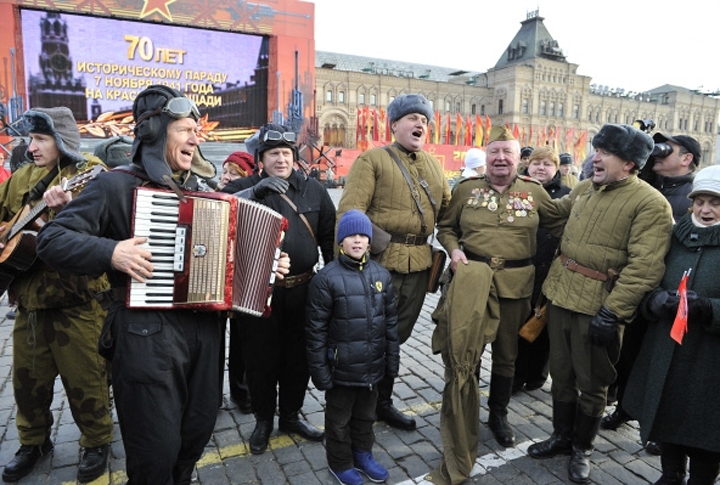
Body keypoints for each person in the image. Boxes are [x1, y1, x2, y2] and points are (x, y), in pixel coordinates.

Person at [35, 85, 228, 484]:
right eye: (185, 129)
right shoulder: (115, 185)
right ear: (155, 133)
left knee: (195, 435)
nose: (195, 138)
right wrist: (112, 252)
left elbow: (233, 262)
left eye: (196, 130)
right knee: (155, 451)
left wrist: (266, 269)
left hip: (206, 333)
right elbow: (52, 241)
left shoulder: (206, 192)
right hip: (146, 336)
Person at [528, 123, 674, 484]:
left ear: (629, 163)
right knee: (560, 374)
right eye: (597, 150)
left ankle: (582, 447)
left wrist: (614, 312)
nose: (596, 157)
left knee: (593, 382)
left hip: (600, 305)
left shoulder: (650, 203)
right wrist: (521, 190)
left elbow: (645, 267)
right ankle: (561, 437)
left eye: (605, 153)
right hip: (561, 294)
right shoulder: (585, 189)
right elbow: (553, 214)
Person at [435, 126, 567, 462]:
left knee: (507, 354)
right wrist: (453, 251)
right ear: (487, 156)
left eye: (508, 152)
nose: (500, 158)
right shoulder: (466, 190)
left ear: (517, 158)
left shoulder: (535, 193)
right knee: (470, 351)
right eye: (494, 152)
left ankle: (498, 414)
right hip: (473, 282)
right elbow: (446, 227)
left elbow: (561, 227)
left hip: (515, 284)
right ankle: (466, 413)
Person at [0, 107, 113, 483]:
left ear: (62, 141)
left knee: (87, 379)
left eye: (40, 139)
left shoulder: (90, 174)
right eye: (31, 139)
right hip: (30, 303)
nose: (31, 147)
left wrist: (66, 214)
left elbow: (107, 229)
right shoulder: (20, 178)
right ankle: (33, 442)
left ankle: (96, 441)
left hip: (76, 302)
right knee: (27, 383)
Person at [336, 93, 451, 431]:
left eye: (425, 121)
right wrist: (346, 269)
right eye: (413, 118)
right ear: (395, 124)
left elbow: (450, 211)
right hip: (378, 265)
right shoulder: (372, 159)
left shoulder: (433, 165)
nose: (420, 124)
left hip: (418, 269)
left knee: (395, 339)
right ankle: (358, 408)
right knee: (367, 338)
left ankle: (382, 403)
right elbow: (350, 213)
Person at [221, 123, 336, 455]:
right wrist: (253, 194)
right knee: (260, 360)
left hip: (304, 289)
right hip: (257, 290)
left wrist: (332, 284)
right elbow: (219, 207)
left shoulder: (313, 190)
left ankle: (290, 416)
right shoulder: (246, 186)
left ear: (295, 157)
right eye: (273, 154)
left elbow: (329, 236)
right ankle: (262, 421)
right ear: (261, 158)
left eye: (286, 153)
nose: (281, 160)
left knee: (298, 359)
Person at [601, 132, 701, 454]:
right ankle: (626, 408)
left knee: (665, 363)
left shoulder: (694, 196)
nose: (658, 155)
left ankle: (661, 426)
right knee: (630, 353)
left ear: (687, 158)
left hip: (673, 295)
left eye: (666, 150)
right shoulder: (651, 184)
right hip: (642, 290)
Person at [623, 165, 720, 485]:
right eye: (700, 201)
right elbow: (645, 279)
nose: (705, 209)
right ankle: (670, 473)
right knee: (666, 412)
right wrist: (654, 301)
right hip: (666, 350)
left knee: (707, 426)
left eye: (716, 202)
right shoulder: (673, 236)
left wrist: (708, 308)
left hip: (710, 360)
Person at [306, 209, 399, 485]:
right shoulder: (326, 279)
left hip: (372, 368)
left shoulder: (381, 275)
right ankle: (340, 462)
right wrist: (321, 372)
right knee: (338, 421)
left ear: (369, 241)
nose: (357, 241)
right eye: (350, 236)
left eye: (362, 235)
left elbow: (390, 325)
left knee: (365, 417)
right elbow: (315, 331)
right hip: (341, 370)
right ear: (340, 242)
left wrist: (391, 362)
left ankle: (363, 454)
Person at [513, 146, 570, 395]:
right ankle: (515, 375)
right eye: (536, 163)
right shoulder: (517, 190)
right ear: (528, 165)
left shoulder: (566, 195)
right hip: (521, 267)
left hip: (552, 268)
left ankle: (537, 375)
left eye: (547, 164)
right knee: (516, 324)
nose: (541, 168)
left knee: (544, 326)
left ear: (556, 168)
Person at [219, 149, 257, 414]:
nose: (225, 177)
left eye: (233, 173)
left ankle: (241, 392)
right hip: (214, 277)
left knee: (243, 340)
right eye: (224, 171)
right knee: (213, 340)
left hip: (240, 275)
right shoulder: (209, 194)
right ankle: (211, 392)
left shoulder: (249, 198)